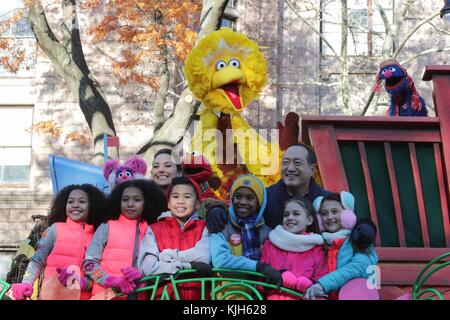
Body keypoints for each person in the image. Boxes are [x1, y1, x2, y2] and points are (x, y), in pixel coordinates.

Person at [11, 184, 107, 300]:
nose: (75, 205)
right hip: (52, 296)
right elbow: (37, 260)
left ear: (92, 206)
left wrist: (81, 282)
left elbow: (95, 277)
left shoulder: (97, 237)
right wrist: (26, 283)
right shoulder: (54, 230)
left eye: (82, 202)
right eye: (70, 202)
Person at [206, 143, 331, 232]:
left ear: (312, 170)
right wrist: (217, 210)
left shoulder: (327, 201)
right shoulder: (265, 197)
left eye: (297, 163)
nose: (290, 168)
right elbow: (238, 209)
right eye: (286, 162)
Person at [83, 179, 167, 300]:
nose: (130, 204)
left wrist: (144, 279)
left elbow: (158, 266)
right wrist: (108, 279)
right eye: (125, 199)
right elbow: (89, 263)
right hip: (105, 295)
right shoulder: (107, 226)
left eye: (137, 200)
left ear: (146, 202)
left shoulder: (152, 229)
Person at [138, 176, 211, 300]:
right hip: (164, 296)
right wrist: (188, 266)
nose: (180, 201)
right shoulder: (155, 229)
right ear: (168, 203)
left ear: (198, 203)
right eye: (175, 196)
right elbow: (148, 267)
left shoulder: (205, 227)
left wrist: (165, 256)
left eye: (187, 197)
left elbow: (203, 258)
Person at [210, 174, 282, 293]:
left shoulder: (269, 233)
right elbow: (220, 261)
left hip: (259, 294)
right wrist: (259, 266)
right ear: (232, 199)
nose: (243, 202)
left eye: (250, 198)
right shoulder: (219, 224)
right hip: (227, 293)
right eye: (238, 196)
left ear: (259, 203)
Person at [305, 193, 378, 300]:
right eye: (324, 214)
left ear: (346, 214)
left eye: (334, 212)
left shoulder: (360, 240)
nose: (329, 217)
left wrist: (322, 284)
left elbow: (358, 267)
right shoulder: (317, 243)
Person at [261, 197, 328, 300]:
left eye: (296, 214)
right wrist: (278, 276)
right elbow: (260, 281)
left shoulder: (316, 249)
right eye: (286, 214)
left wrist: (310, 284)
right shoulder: (270, 244)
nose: (290, 217)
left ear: (309, 220)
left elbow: (322, 284)